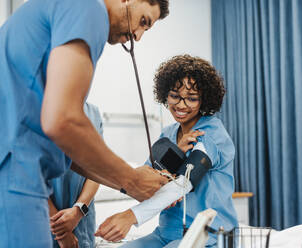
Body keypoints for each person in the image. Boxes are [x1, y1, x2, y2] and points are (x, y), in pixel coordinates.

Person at [0, 0, 169, 247]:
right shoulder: (88, 7)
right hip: (15, 173)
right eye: (143, 21)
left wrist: (126, 183)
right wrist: (130, 180)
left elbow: (66, 146)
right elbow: (62, 120)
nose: (138, 36)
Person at [95, 55, 239, 247]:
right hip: (166, 232)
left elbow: (183, 183)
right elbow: (143, 182)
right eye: (174, 96)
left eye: (192, 98)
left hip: (208, 234)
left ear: (204, 100)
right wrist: (175, 154)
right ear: (165, 94)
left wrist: (130, 216)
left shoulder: (212, 134)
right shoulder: (168, 135)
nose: (181, 105)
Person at [48, 103, 103, 248]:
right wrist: (62, 232)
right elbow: (28, 173)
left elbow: (98, 170)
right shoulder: (36, 104)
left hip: (82, 222)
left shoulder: (93, 113)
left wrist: (79, 210)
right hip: (43, 220)